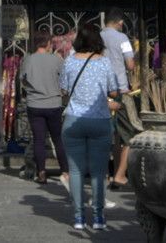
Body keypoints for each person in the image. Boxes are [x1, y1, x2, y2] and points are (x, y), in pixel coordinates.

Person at [60, 22, 118, 231]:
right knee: (98, 171)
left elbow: (64, 90)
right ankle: (99, 217)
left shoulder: (69, 62)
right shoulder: (105, 63)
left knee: (75, 171)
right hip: (100, 120)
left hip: (73, 120)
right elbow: (113, 91)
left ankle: (78, 217)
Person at [21, 31, 70, 187]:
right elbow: (65, 80)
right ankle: (65, 171)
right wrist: (60, 91)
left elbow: (22, 80)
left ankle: (41, 172)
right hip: (54, 104)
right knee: (58, 139)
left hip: (34, 104)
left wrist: (32, 90)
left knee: (39, 140)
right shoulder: (56, 60)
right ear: (48, 43)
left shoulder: (28, 60)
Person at [100, 9, 137, 190]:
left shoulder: (97, 38)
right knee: (126, 136)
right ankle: (120, 174)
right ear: (120, 22)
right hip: (120, 90)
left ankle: (106, 174)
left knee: (106, 135)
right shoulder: (122, 39)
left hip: (100, 91)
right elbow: (130, 64)